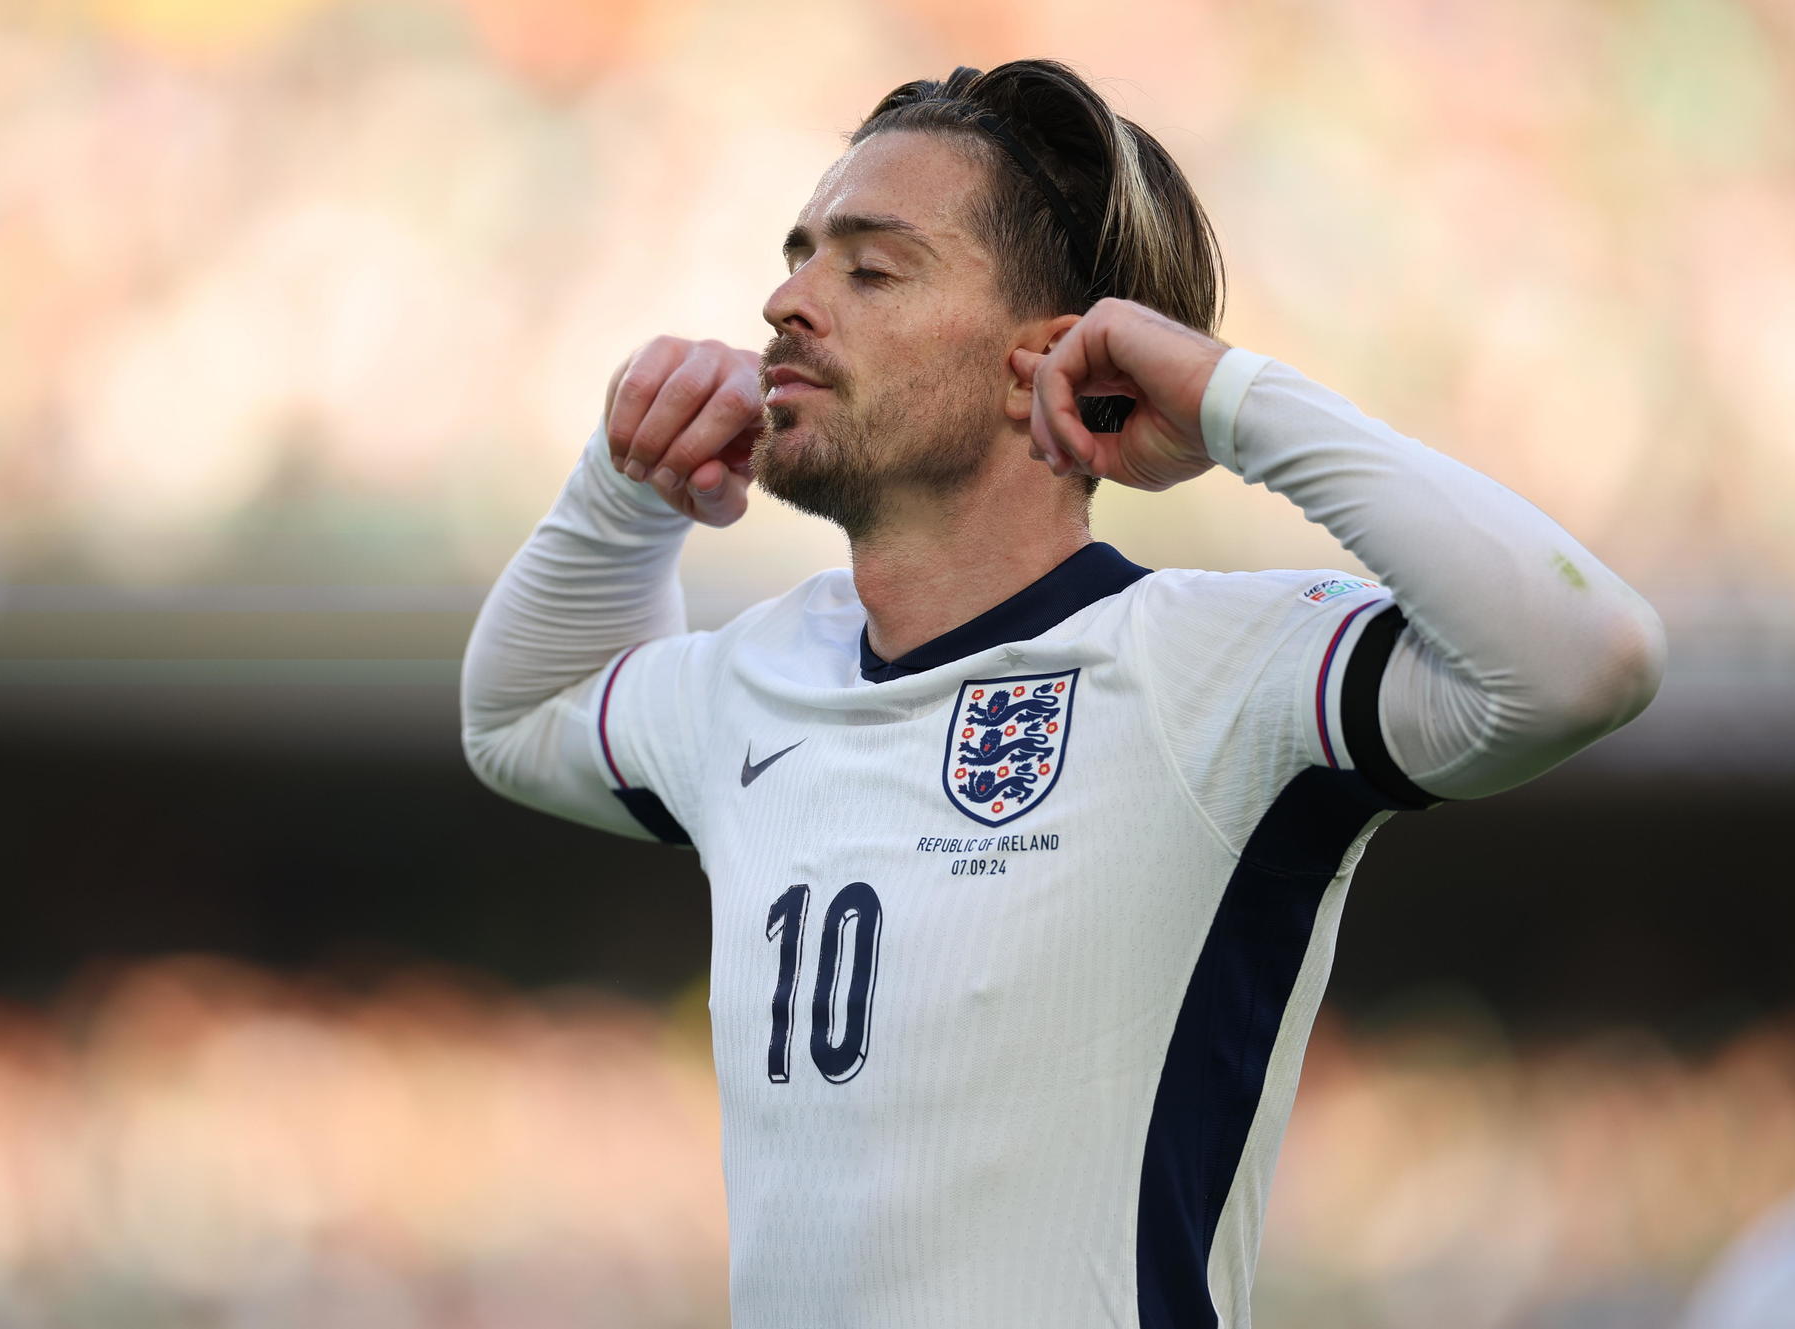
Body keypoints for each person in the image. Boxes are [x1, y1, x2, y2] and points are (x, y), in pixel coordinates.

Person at [460, 58, 1666, 1329]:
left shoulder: (1209, 670)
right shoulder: (763, 673)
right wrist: (619, 497)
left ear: (1044, 354)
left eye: (868, 269)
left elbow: (1588, 660)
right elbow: (520, 716)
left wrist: (1234, 404)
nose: (785, 302)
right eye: (800, 254)